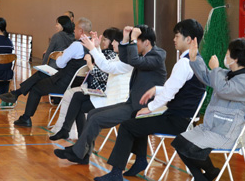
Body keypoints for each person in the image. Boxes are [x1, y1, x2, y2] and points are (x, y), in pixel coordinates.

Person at [92, 19, 206, 181]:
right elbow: (177, 89)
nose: (174, 39)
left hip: (176, 120)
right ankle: (139, 161)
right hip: (183, 117)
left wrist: (150, 108)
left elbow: (170, 93)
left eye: (177, 36)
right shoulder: (197, 61)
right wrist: (156, 90)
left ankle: (117, 172)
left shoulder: (184, 63)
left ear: (188, 39)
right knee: (136, 116)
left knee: (128, 124)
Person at [54, 24, 167, 164]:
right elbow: (124, 59)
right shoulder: (141, 55)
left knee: (95, 117)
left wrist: (128, 40)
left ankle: (79, 153)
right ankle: (81, 153)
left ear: (146, 42)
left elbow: (121, 63)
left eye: (137, 40)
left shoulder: (156, 56)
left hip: (139, 107)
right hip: (130, 102)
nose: (115, 44)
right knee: (92, 114)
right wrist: (126, 39)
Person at [171, 38, 245, 181]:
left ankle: (206, 173)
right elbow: (207, 77)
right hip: (210, 126)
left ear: (235, 59)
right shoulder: (225, 73)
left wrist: (215, 69)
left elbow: (224, 90)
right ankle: (205, 174)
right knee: (179, 142)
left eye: (228, 54)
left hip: (228, 133)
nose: (225, 56)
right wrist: (195, 58)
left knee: (191, 147)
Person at [0, 17, 93, 127]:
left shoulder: (77, 45)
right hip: (76, 83)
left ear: (81, 31)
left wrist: (59, 56)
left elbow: (60, 64)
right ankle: (16, 94)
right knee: (41, 74)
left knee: (36, 88)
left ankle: (25, 116)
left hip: (64, 83)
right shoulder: (92, 45)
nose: (74, 31)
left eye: (76, 29)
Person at [50, 27, 132, 140]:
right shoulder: (118, 57)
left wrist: (92, 53)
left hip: (111, 98)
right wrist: (96, 47)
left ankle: (77, 138)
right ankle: (69, 132)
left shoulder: (125, 61)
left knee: (76, 101)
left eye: (112, 40)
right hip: (105, 93)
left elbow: (105, 69)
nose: (112, 43)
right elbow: (105, 63)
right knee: (76, 97)